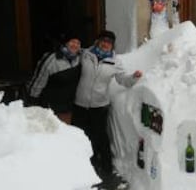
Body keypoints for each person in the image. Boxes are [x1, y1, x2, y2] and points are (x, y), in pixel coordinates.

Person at [72, 30, 142, 188]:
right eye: (103, 40)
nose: (105, 44)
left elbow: (122, 79)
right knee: (81, 136)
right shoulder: (85, 54)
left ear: (112, 45)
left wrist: (134, 78)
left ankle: (106, 167)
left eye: (109, 42)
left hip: (99, 105)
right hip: (80, 104)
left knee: (100, 137)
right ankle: (83, 166)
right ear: (97, 41)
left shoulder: (114, 61)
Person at [27, 34, 81, 124]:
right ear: (65, 43)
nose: (75, 45)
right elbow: (39, 80)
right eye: (72, 41)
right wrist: (32, 100)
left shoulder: (79, 58)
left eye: (78, 43)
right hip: (51, 107)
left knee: (67, 134)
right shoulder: (52, 59)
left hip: (68, 107)